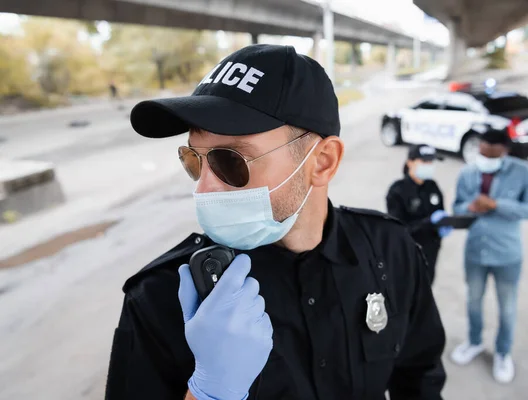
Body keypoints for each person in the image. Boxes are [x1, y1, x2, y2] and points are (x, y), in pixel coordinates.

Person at [105, 44, 446, 400]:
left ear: (323, 162)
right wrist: (209, 394)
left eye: (230, 160)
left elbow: (420, 376)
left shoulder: (390, 252)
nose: (204, 187)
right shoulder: (163, 298)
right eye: (194, 159)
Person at [451, 126, 528, 384]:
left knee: (507, 308)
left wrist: (497, 205)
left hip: (507, 254)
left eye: (492, 156)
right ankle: (474, 342)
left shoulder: (522, 173)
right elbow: (457, 207)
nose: (486, 159)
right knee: (473, 301)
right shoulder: (468, 172)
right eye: (482, 153)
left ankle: (503, 353)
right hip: (475, 252)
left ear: (504, 152)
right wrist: (469, 208)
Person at [386, 144, 452, 284]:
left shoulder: (432, 186)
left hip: (430, 254)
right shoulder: (397, 191)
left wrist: (443, 224)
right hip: (407, 256)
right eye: (424, 162)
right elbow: (399, 230)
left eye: (431, 162)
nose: (429, 165)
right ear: (410, 162)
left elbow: (440, 212)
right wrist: (428, 222)